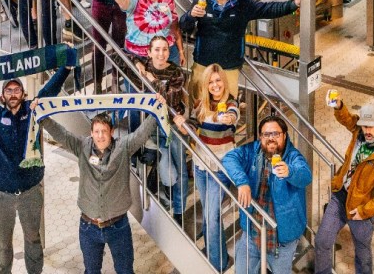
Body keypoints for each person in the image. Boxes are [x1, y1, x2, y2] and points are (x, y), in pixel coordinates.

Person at [0, 70, 71, 274]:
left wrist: (66, 69)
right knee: (3, 243)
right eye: (9, 91)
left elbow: (50, 89)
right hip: (2, 196)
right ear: (2, 96)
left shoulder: (33, 110)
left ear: (24, 94)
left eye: (17, 90)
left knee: (33, 239)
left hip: (31, 193)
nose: (13, 94)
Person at [42, 112, 158, 274]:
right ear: (91, 133)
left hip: (118, 226)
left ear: (111, 132)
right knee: (91, 270)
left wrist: (158, 108)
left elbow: (141, 134)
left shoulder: (123, 147)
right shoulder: (82, 146)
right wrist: (43, 117)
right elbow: (62, 134)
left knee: (125, 270)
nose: (100, 136)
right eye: (96, 131)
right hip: (88, 227)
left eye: (104, 131)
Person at [180, 0, 301, 98]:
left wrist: (293, 4)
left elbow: (268, 9)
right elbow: (184, 26)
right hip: (203, 66)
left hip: (229, 68)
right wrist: (190, 15)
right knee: (199, 104)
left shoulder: (242, 4)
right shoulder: (201, 1)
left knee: (227, 108)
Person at [314, 101, 374, 274]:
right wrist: (339, 106)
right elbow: (347, 119)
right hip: (340, 197)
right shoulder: (358, 132)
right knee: (322, 241)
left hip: (360, 207)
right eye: (364, 126)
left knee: (362, 254)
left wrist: (365, 211)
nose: (367, 131)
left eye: (371, 127)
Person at [222, 115, 313, 274]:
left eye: (276, 134)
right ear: (261, 137)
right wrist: (242, 182)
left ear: (284, 135)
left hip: (281, 240)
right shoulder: (253, 150)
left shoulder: (293, 157)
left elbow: (305, 176)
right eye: (266, 134)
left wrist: (289, 171)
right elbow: (229, 158)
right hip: (252, 232)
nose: (271, 139)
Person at [189, 64, 239, 271]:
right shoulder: (201, 105)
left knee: (211, 218)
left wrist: (228, 118)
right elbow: (193, 124)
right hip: (201, 165)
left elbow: (232, 116)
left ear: (224, 83)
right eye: (211, 81)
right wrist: (185, 125)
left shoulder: (230, 104)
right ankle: (220, 257)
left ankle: (215, 265)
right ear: (206, 85)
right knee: (211, 217)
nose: (215, 85)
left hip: (220, 169)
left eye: (218, 81)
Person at [134, 36, 189, 222]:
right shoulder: (145, 64)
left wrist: (151, 79)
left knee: (180, 170)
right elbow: (118, 55)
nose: (161, 54)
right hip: (151, 125)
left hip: (173, 126)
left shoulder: (177, 72)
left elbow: (170, 100)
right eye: (156, 50)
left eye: (165, 49)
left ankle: (179, 211)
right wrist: (136, 62)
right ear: (148, 52)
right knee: (167, 169)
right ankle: (162, 186)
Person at [111, 0, 183, 64]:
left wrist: (181, 51)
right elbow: (123, 2)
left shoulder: (168, 0)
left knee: (172, 79)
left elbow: (174, 27)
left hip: (167, 53)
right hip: (138, 56)